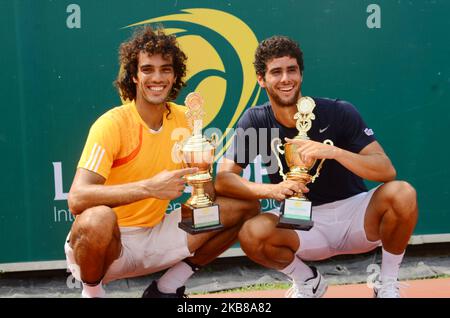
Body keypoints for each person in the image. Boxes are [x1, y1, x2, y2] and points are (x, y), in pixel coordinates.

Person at [215, 35, 418, 298]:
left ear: (301, 74)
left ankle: (387, 283)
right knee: (253, 233)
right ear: (261, 79)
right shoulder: (255, 120)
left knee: (403, 193)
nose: (286, 78)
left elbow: (386, 170)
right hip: (300, 224)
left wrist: (334, 152)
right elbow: (223, 179)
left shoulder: (338, 111)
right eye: (276, 72)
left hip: (354, 215)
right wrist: (272, 190)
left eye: (292, 70)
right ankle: (307, 281)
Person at [64, 26, 258, 298]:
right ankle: (93, 293)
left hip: (157, 236)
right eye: (147, 69)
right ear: (133, 75)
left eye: (165, 69)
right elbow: (77, 198)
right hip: (108, 248)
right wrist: (149, 188)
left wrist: (204, 185)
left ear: (175, 75)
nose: (157, 77)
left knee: (243, 206)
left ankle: (167, 288)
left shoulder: (186, 119)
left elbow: (207, 195)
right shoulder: (111, 124)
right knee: (97, 218)